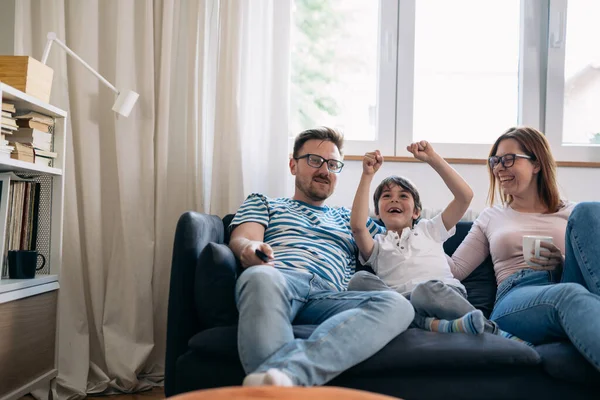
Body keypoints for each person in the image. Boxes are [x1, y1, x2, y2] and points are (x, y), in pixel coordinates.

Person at [228, 127, 415, 387]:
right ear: (293, 165)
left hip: (330, 296)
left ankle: (289, 376)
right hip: (279, 280)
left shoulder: (350, 220)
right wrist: (249, 249)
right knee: (258, 276)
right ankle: (283, 383)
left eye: (333, 164)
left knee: (399, 305)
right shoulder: (265, 202)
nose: (325, 171)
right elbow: (244, 238)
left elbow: (402, 235)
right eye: (315, 161)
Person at [448, 126, 600, 372]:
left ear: (536, 164)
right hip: (517, 294)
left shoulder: (570, 212)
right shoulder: (491, 216)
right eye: (495, 161)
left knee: (590, 210)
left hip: (570, 282)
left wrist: (561, 261)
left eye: (508, 160)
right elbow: (454, 269)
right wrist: (420, 238)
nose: (498, 168)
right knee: (569, 295)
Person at [348, 141, 522, 340]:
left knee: (424, 291)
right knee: (358, 281)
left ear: (416, 212)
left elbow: (465, 196)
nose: (394, 199)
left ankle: (491, 330)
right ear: (377, 212)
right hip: (399, 303)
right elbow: (358, 227)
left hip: (439, 293)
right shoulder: (377, 244)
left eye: (403, 196)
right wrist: (367, 175)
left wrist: (433, 159)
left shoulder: (429, 229)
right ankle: (432, 324)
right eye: (387, 196)